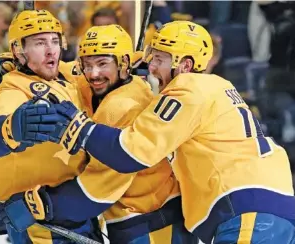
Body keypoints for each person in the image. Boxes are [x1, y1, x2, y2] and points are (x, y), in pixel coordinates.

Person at [44, 21, 295, 244]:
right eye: (152, 58)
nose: (152, 67)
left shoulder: (186, 89)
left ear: (185, 64)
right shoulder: (219, 85)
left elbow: (130, 153)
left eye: (160, 59)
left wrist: (80, 128)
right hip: (274, 204)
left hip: (247, 210)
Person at [0, 24, 198, 244]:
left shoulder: (123, 107)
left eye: (102, 64)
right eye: (87, 64)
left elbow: (99, 187)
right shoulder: (106, 84)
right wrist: (12, 62)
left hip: (154, 222)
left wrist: (41, 204)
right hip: (136, 220)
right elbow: (68, 71)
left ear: (124, 63)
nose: (93, 74)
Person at [0, 10, 103, 243]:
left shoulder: (67, 74)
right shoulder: (14, 87)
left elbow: (102, 60)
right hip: (39, 221)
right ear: (18, 51)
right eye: (39, 43)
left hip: (75, 211)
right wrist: (9, 129)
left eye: (55, 41)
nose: (51, 49)